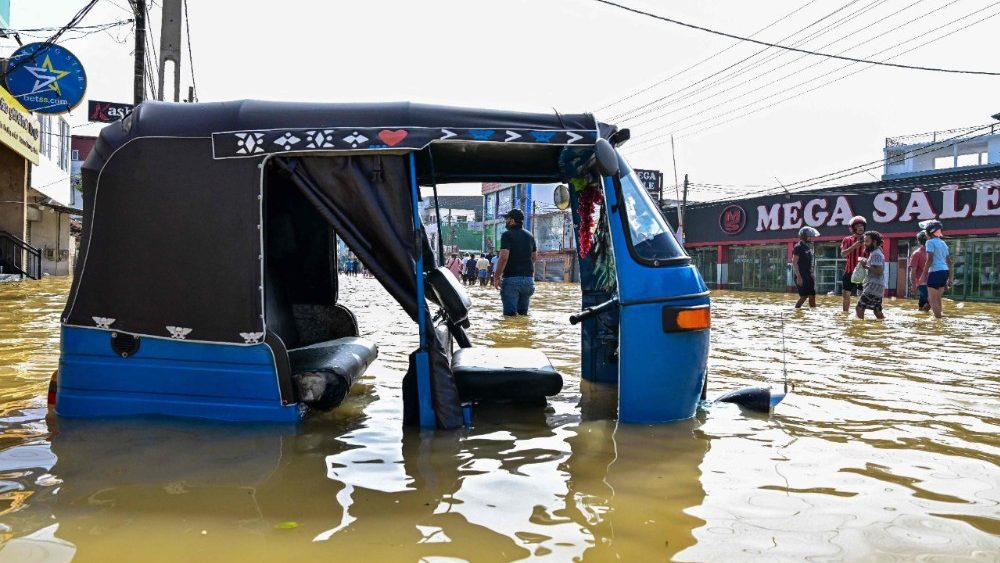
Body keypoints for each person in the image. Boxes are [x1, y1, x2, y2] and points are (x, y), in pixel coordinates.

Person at [492, 208, 537, 316]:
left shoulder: (507, 235)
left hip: (511, 280)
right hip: (528, 281)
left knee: (509, 317)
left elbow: (503, 258)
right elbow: (534, 258)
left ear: (512, 221)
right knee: (523, 315)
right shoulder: (530, 236)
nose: (505, 221)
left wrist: (496, 277)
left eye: (507, 219)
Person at [920, 219, 952, 319]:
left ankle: (938, 322)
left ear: (930, 231)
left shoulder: (929, 242)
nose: (924, 233)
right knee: (937, 299)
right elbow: (950, 262)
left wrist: (923, 276)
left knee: (932, 300)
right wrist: (950, 278)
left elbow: (929, 260)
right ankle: (940, 318)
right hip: (944, 272)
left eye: (925, 231)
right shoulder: (943, 243)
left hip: (935, 272)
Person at [855, 230, 886, 320]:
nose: (864, 244)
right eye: (864, 241)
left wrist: (866, 266)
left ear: (874, 242)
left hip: (874, 285)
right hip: (879, 285)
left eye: (867, 241)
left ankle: (859, 329)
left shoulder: (876, 254)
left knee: (859, 307)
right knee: (877, 310)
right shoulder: (877, 251)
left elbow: (879, 270)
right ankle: (883, 325)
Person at [840, 215, 868, 312]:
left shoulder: (868, 239)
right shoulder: (847, 240)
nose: (860, 228)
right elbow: (843, 254)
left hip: (863, 272)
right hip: (849, 271)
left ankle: (859, 315)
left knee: (862, 295)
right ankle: (845, 315)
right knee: (845, 294)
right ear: (852, 228)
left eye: (862, 225)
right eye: (857, 226)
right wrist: (854, 246)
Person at [792, 226, 819, 309]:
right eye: (809, 236)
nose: (811, 238)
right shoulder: (798, 247)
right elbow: (794, 262)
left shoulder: (807, 247)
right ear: (803, 236)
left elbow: (809, 263)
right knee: (804, 296)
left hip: (808, 275)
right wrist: (799, 277)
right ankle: (796, 311)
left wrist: (811, 273)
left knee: (812, 296)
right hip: (801, 275)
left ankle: (813, 313)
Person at [908, 231, 930, 312]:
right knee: (930, 302)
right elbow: (912, 271)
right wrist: (913, 285)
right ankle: (922, 317)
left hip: (931, 281)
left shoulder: (931, 252)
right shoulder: (917, 253)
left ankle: (920, 318)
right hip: (922, 283)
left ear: (918, 241)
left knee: (924, 303)